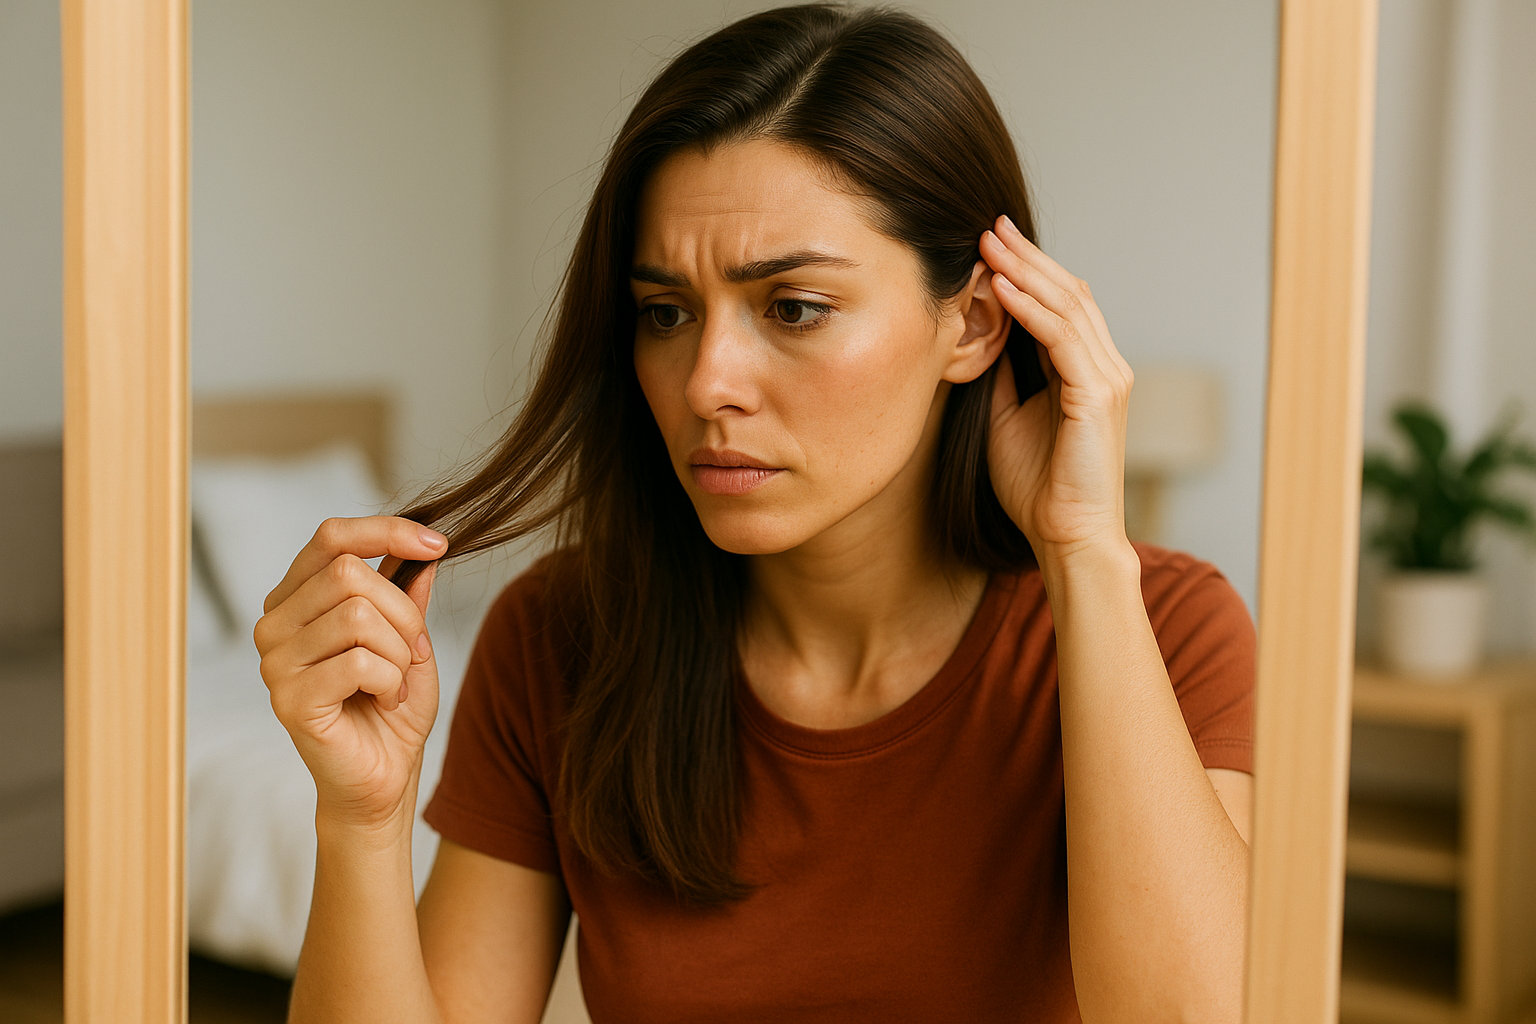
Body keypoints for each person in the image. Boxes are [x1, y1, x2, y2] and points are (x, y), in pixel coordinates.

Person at [254, 5, 1254, 1022]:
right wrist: (362, 818)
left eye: (792, 308)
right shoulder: (564, 637)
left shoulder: (1168, 630)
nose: (706, 383)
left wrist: (1083, 551)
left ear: (975, 322)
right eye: (666, 314)